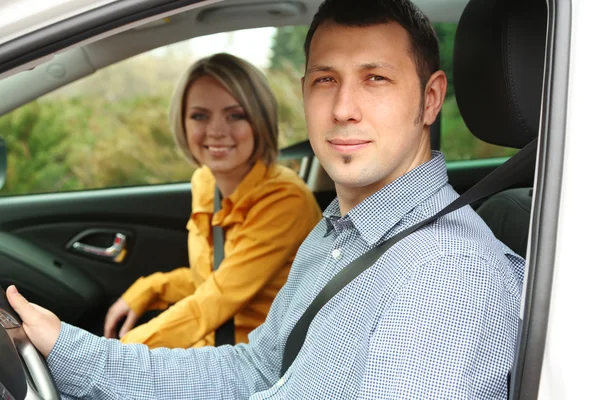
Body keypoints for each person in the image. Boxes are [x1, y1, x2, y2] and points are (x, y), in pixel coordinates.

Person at [6, 0, 525, 398]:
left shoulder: (450, 279)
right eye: (326, 80)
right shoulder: (338, 233)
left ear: (430, 98)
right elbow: (255, 369)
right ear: (304, 94)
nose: (344, 108)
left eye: (375, 79)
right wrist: (69, 350)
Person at [102, 52, 322, 349]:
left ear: (261, 120)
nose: (216, 131)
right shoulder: (205, 181)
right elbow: (209, 278)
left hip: (257, 363)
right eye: (200, 116)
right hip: (209, 346)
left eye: (235, 115)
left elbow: (215, 299)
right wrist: (148, 291)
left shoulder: (285, 201)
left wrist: (113, 354)